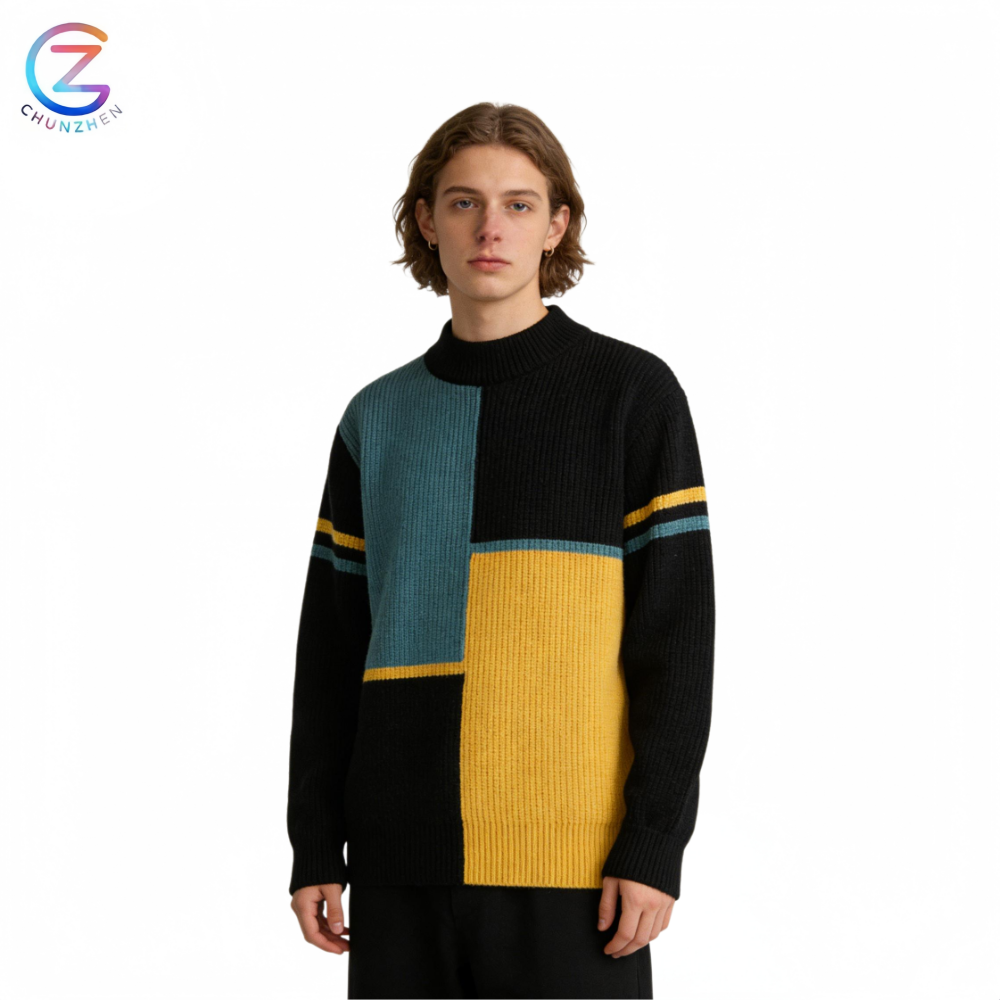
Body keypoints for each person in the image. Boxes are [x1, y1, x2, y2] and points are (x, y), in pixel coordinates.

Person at [286, 102, 716, 1000]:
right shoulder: (377, 416)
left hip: (576, 865)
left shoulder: (631, 395)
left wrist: (654, 845)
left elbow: (676, 643)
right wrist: (315, 842)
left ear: (557, 225)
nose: (491, 228)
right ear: (425, 222)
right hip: (400, 861)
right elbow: (331, 650)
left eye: (519, 204)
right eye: (464, 202)